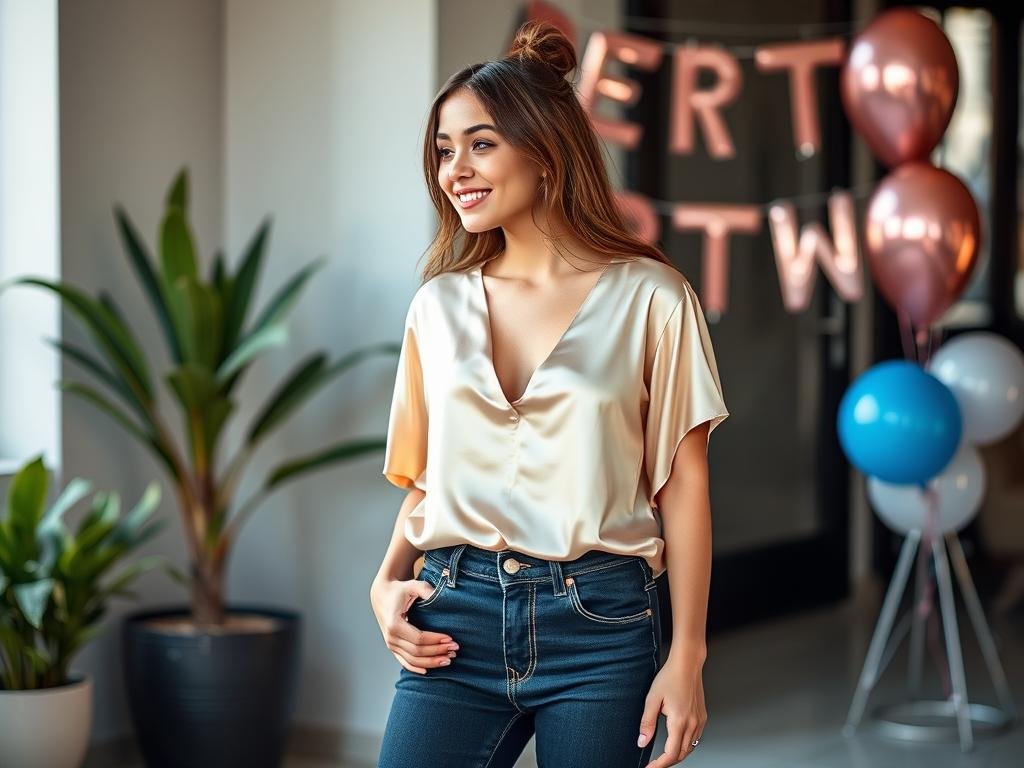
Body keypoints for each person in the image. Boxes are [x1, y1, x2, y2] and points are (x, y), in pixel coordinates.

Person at [369, 19, 729, 768]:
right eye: (444, 150)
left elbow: (684, 486)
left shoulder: (653, 298)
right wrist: (385, 581)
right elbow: (429, 477)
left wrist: (687, 655)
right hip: (453, 614)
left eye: (480, 144)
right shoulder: (436, 306)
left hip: (600, 623)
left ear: (543, 151)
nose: (455, 171)